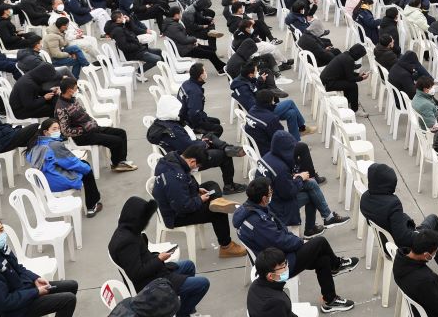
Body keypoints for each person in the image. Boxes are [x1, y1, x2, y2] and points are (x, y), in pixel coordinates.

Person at [233, 178, 357, 313]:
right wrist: (301, 242)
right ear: (263, 198)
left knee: (323, 259)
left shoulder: (249, 208)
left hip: (274, 254)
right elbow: (281, 241)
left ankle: (330, 300)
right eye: (270, 192)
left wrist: (296, 241)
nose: (271, 193)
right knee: (320, 242)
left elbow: (279, 234)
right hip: (277, 265)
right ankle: (336, 265)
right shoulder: (258, 221)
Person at [360, 163, 438, 284]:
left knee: (433, 219)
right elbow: (403, 237)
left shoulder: (365, 198)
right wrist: (420, 235)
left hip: (385, 243)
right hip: (400, 246)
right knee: (432, 235)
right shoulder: (392, 203)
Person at [108, 197, 211, 317]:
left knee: (189, 265)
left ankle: (188, 310)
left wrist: (157, 257)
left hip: (155, 272)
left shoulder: (127, 229)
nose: (146, 223)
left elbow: (140, 258)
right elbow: (137, 274)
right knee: (203, 283)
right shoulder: (126, 243)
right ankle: (182, 314)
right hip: (150, 284)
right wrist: (159, 259)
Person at [0, 216, 79, 317]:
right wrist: (36, 292)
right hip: (13, 310)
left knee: (71, 285)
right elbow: (5, 302)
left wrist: (35, 278)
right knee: (68, 300)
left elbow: (18, 267)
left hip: (22, 290)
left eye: (1, 230)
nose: (1, 235)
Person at [151, 143, 247, 258]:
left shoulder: (172, 159)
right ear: (192, 161)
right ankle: (226, 247)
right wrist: (200, 199)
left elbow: (185, 184)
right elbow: (183, 207)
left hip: (180, 199)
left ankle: (217, 201)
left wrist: (197, 190)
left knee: (211, 185)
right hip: (176, 215)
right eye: (198, 166)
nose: (196, 169)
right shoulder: (175, 177)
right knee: (218, 213)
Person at [260, 132, 348, 238]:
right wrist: (300, 178)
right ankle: (315, 226)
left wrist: (293, 176)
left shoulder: (268, 157)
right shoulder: (280, 168)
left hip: (270, 198)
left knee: (312, 184)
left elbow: (279, 182)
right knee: (313, 195)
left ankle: (324, 220)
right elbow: (289, 192)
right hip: (276, 207)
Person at [54, 76, 137, 172]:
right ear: (69, 90)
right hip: (82, 136)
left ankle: (122, 161)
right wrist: (84, 129)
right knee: (116, 141)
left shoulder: (72, 99)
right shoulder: (61, 109)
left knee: (121, 133)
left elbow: (84, 114)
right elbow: (65, 131)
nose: (77, 90)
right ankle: (116, 164)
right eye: (76, 88)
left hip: (91, 129)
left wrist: (92, 122)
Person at [26, 118, 102, 217]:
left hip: (43, 182)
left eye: (58, 128)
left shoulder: (35, 144)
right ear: (45, 132)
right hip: (56, 182)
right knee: (86, 169)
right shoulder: (54, 145)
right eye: (54, 129)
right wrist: (87, 169)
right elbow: (72, 163)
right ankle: (92, 206)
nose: (57, 131)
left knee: (82, 166)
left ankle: (93, 201)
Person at [319, 44, 368, 113]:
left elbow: (347, 73)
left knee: (348, 84)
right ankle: (355, 110)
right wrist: (362, 78)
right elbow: (350, 78)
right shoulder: (349, 60)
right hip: (328, 84)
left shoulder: (346, 55)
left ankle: (349, 102)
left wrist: (358, 74)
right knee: (353, 86)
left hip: (326, 80)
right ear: (357, 55)